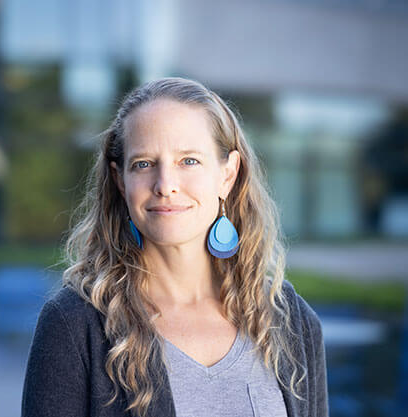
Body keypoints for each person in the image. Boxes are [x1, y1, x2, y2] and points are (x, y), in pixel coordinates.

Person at [21, 77, 328, 417]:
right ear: (121, 181)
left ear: (227, 175)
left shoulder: (291, 321)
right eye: (144, 164)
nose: (165, 185)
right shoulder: (74, 326)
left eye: (189, 161)